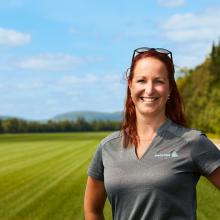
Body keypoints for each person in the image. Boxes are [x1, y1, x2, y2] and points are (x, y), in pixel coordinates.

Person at [84, 47, 220, 220]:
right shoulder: (107, 147)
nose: (149, 89)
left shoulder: (193, 142)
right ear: (130, 86)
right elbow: (92, 211)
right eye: (141, 80)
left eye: (159, 81)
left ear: (170, 89)